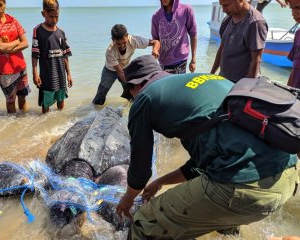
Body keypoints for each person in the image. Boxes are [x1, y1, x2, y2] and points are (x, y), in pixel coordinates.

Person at [115, 55, 298, 240]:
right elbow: (201, 166)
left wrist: (128, 199)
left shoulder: (145, 98)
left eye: (130, 95)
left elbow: (140, 170)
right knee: (225, 221)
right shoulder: (205, 81)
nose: (132, 99)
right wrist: (159, 182)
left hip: (243, 188)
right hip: (286, 178)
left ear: (136, 85)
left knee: (144, 223)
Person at [92, 24, 160, 105]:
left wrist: (155, 49)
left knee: (131, 92)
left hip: (124, 68)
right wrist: (129, 83)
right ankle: (94, 109)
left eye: (124, 42)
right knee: (101, 92)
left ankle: (132, 107)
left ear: (127, 36)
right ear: (113, 39)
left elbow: (156, 42)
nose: (122, 46)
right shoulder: (110, 51)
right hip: (110, 70)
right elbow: (119, 72)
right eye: (118, 44)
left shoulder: (134, 40)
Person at [0, 0, 30, 114]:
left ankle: (24, 123)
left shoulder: (13, 20)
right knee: (10, 101)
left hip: (21, 66)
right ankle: (13, 127)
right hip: (5, 70)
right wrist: (16, 42)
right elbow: (0, 48)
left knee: (23, 97)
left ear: (5, 3)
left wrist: (7, 47)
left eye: (0, 5)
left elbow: (26, 43)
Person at [210, 0, 268, 83]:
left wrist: (246, 91)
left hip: (240, 84)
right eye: (221, 5)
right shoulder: (227, 19)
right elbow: (222, 48)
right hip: (223, 79)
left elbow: (256, 60)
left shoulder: (255, 23)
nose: (223, 10)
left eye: (226, 5)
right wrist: (211, 74)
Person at [32, 0, 73, 114]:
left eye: (56, 17)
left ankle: (59, 123)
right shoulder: (38, 31)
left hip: (60, 74)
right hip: (47, 75)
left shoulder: (61, 33)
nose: (54, 20)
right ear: (43, 13)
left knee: (61, 99)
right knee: (46, 103)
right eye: (51, 17)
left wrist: (68, 74)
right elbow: (35, 54)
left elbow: (65, 55)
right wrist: (35, 73)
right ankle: (45, 125)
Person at [151, 0, 197, 74]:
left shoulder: (186, 10)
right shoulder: (156, 16)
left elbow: (193, 34)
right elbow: (155, 39)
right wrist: (155, 49)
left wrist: (193, 60)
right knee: (166, 85)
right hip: (163, 63)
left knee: (179, 85)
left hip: (181, 60)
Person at [287, 0, 300, 89]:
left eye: (298, 8)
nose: (294, 13)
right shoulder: (298, 34)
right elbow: (294, 68)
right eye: (292, 8)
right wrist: (287, 90)